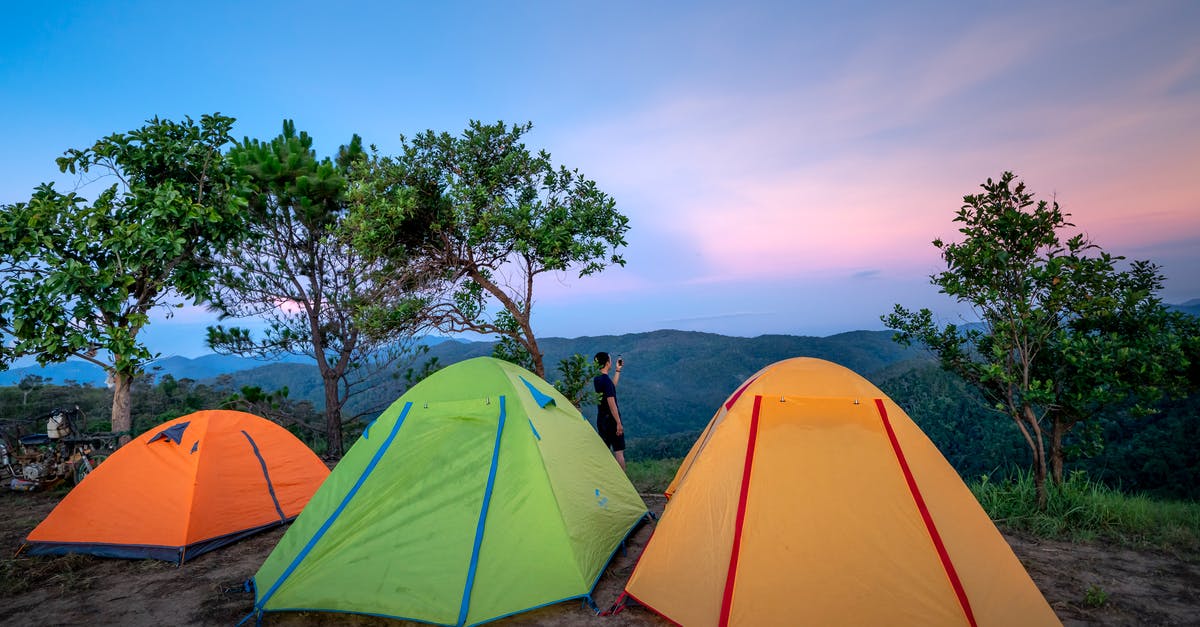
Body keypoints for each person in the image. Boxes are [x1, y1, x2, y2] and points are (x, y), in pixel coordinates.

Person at [593, 351, 626, 471]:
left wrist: (618, 371)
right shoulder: (606, 381)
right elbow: (611, 402)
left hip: (601, 420)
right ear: (607, 363)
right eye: (610, 360)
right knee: (619, 452)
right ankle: (623, 483)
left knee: (604, 452)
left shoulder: (598, 379)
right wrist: (618, 423)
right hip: (611, 420)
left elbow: (611, 387)